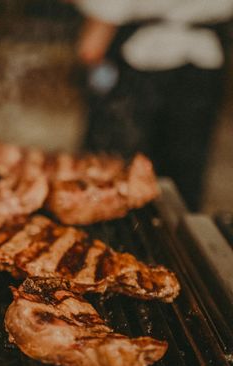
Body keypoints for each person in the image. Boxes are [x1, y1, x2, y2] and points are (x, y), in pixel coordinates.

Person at [73, 0, 233, 211]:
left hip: (139, 59)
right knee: (182, 172)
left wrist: (90, 54)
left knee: (111, 167)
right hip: (204, 61)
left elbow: (98, 31)